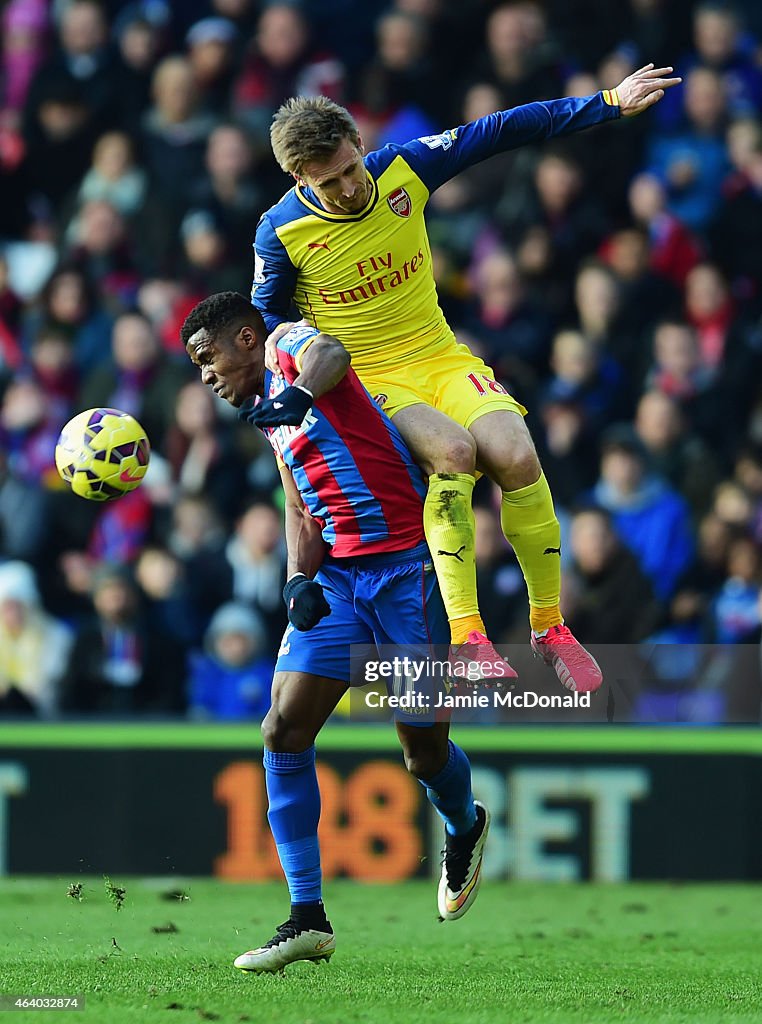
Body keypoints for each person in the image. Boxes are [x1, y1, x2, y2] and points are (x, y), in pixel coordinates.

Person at [251, 65, 680, 689]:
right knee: (453, 452)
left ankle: (549, 626)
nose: (349, 188)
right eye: (330, 181)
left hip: (439, 355)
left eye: (352, 168)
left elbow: (500, 129)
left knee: (516, 456)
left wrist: (609, 102)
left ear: (360, 146)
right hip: (371, 380)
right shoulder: (279, 232)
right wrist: (292, 371)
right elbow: (270, 318)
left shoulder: (405, 168)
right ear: (299, 178)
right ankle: (468, 635)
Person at [181, 291, 492, 972]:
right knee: (282, 729)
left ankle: (465, 823)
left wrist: (300, 396)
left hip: (411, 572)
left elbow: (333, 353)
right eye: (196, 367)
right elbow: (299, 503)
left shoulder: (291, 348)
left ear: (244, 338)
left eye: (208, 358)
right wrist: (297, 581)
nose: (205, 376)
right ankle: (306, 917)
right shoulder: (269, 417)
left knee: (421, 753)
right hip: (340, 578)